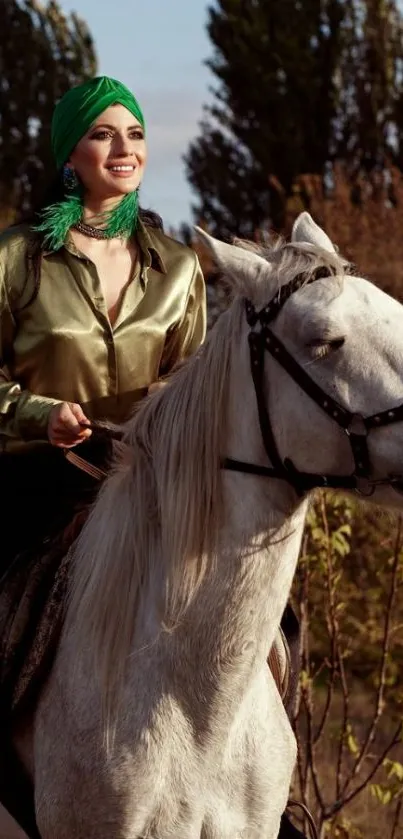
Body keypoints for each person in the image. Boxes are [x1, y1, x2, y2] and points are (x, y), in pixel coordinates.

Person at [0, 75, 206, 568]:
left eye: (135, 134)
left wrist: (170, 395)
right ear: (70, 156)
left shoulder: (180, 268)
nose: (125, 148)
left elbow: (195, 382)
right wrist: (40, 414)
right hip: (33, 490)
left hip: (150, 489)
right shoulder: (14, 257)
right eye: (102, 133)